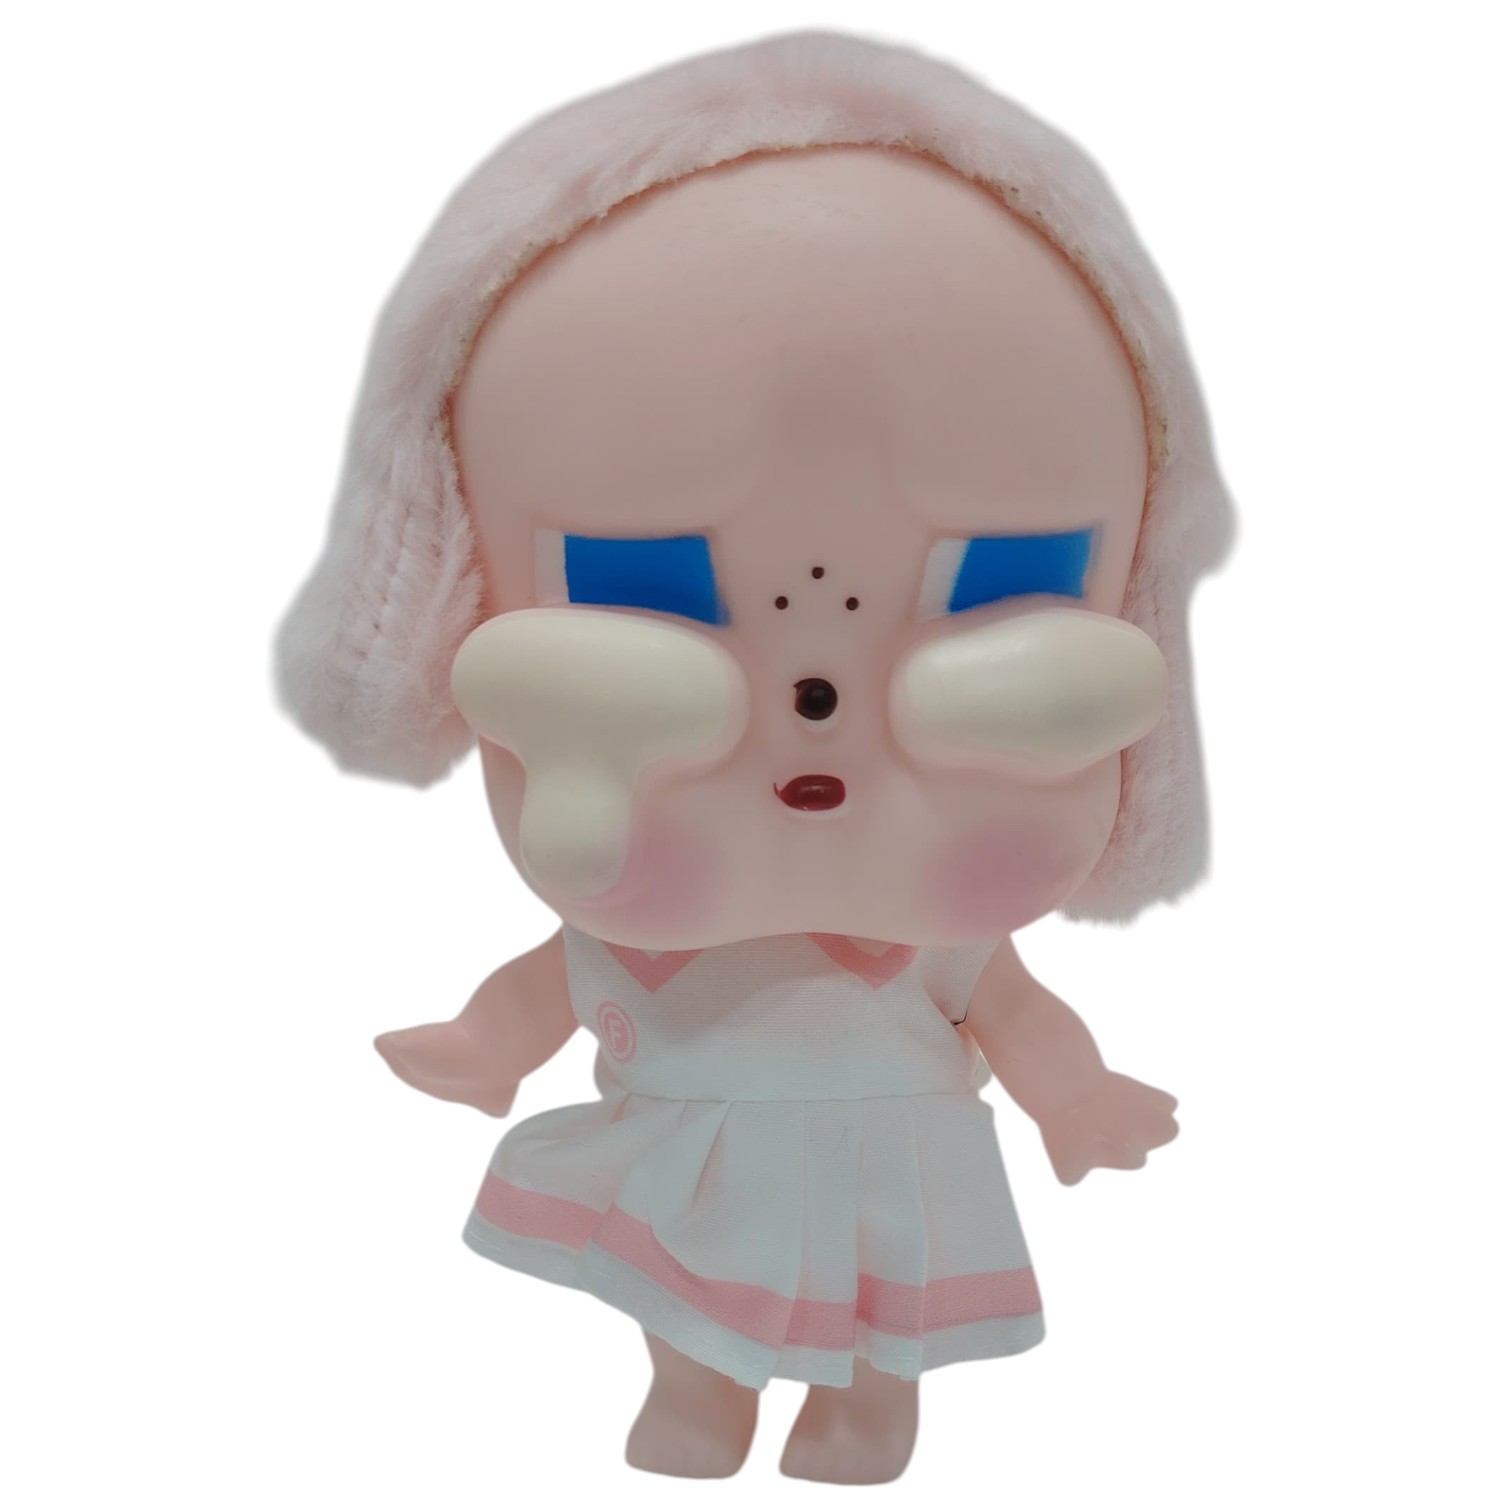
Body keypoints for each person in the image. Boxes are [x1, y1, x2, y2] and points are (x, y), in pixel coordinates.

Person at [275, 29, 1231, 1484]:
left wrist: (1077, 1094)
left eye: (996, 587)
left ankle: (867, 1410)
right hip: (704, 1164)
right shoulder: (630, 944)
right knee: (689, 1286)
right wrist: (481, 1045)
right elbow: (538, 991)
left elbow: (1022, 1017)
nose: (816, 705)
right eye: (640, 590)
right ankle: (705, 1393)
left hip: (889, 1178)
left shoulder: (939, 951)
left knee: (883, 1303)